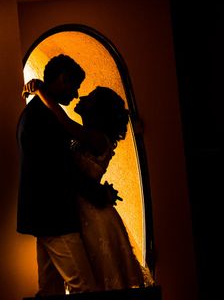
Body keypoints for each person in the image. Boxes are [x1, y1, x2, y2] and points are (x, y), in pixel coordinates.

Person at [23, 79, 154, 291]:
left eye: (89, 98)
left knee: (89, 282)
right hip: (82, 209)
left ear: (97, 111)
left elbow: (65, 123)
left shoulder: (98, 138)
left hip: (91, 215)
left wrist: (41, 91)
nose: (80, 97)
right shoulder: (90, 137)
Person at [16, 54, 98, 296]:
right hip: (55, 214)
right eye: (75, 86)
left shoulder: (36, 112)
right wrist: (95, 193)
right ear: (62, 79)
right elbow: (58, 168)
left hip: (44, 214)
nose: (75, 95)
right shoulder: (45, 117)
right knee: (84, 287)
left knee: (50, 289)